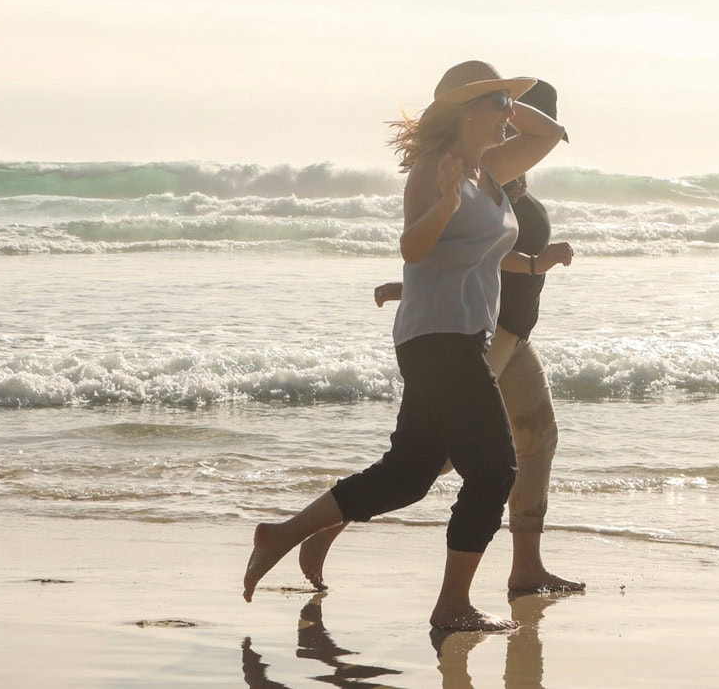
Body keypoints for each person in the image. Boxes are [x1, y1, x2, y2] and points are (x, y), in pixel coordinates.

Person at [242, 60, 565, 632]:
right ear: (468, 112)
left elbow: (549, 134)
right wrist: (443, 200)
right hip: (438, 341)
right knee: (493, 470)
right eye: (499, 108)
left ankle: (282, 535)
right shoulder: (435, 171)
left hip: (460, 336)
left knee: (410, 474)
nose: (511, 118)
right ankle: (452, 605)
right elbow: (414, 248)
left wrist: (506, 95)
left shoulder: (488, 170)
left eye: (509, 107)